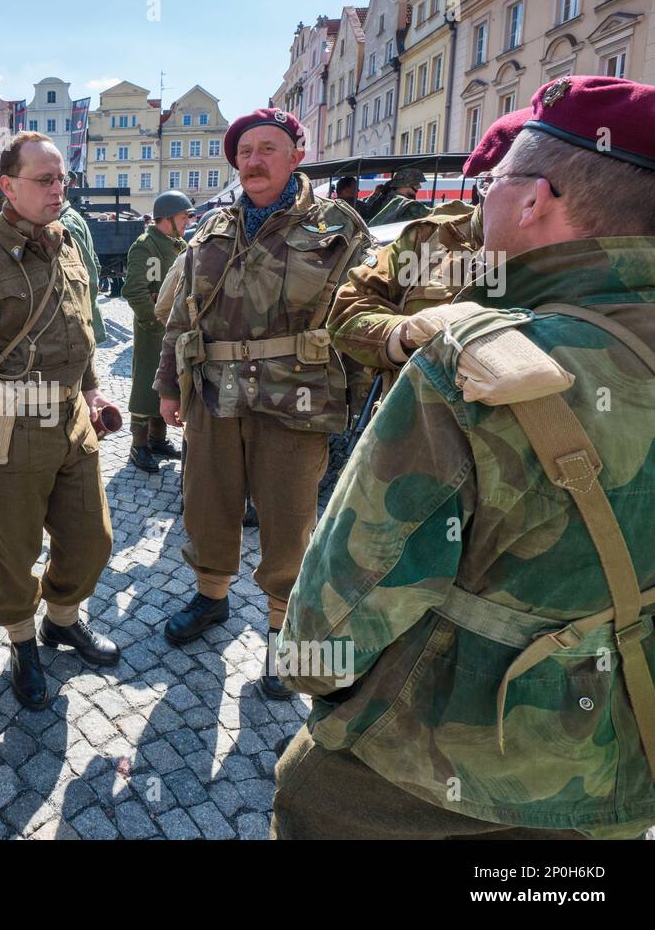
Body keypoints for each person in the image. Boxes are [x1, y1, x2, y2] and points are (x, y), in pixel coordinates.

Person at [273, 75, 655, 840]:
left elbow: (327, 633)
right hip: (622, 767)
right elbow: (351, 309)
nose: (481, 201)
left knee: (310, 784)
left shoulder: (471, 369)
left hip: (434, 775)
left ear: (534, 199)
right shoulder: (431, 248)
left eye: (496, 182)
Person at [154, 108, 369, 698]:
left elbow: (362, 316)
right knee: (208, 503)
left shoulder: (339, 229)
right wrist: (169, 387)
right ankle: (211, 597)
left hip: (296, 400)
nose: (254, 161)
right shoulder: (210, 229)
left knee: (288, 518)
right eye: (245, 152)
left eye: (268, 149)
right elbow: (181, 316)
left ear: (297, 156)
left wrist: (358, 400)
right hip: (214, 395)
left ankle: (282, 629)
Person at [0, 131, 120, 710]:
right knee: (15, 553)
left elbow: (80, 329)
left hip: (72, 422)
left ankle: (61, 620)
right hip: (12, 432)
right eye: (44, 179)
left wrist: (91, 390)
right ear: (8, 186)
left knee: (92, 539)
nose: (57, 188)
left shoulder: (68, 245)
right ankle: (21, 642)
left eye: (62, 178)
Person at [328, 109, 529, 393]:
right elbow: (347, 310)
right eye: (518, 182)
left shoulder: (573, 254)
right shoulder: (429, 237)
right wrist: (404, 334)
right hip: (415, 411)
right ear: (485, 184)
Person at [123, 190, 189, 473]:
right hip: (152, 330)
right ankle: (138, 444)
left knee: (166, 382)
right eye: (183, 217)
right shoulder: (145, 246)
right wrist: (156, 322)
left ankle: (157, 439)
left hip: (172, 329)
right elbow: (135, 291)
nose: (188, 222)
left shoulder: (178, 245)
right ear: (168, 218)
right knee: (145, 385)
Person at [57, 193, 105, 346]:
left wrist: (84, 309)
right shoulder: (72, 215)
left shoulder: (66, 223)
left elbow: (87, 273)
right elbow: (94, 262)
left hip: (80, 317)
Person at [357, 167, 428, 225]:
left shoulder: (387, 199)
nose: (419, 187)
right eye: (416, 184)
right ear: (405, 184)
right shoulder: (401, 203)